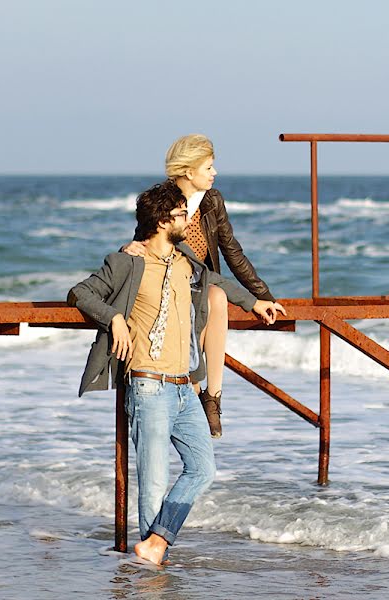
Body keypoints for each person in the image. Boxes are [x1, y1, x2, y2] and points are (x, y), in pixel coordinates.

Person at [68, 181, 285, 565]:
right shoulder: (127, 262)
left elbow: (218, 283)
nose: (189, 220)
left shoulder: (185, 261)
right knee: (152, 485)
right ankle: (151, 566)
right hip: (149, 386)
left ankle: (156, 544)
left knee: (203, 469)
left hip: (185, 389)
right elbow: (80, 293)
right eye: (182, 214)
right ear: (162, 221)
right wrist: (115, 317)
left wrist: (256, 303)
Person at [122, 134, 284, 438]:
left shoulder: (213, 201)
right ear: (188, 171)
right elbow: (142, 240)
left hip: (207, 284)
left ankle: (214, 397)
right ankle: (191, 404)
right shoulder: (163, 201)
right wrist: (127, 248)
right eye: (208, 167)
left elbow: (232, 252)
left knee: (217, 297)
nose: (214, 172)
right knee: (190, 356)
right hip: (172, 287)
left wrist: (263, 297)